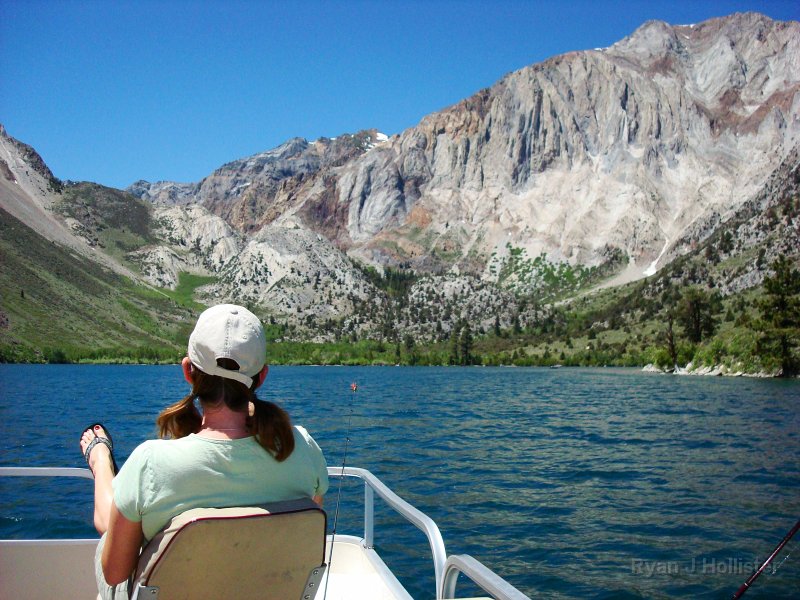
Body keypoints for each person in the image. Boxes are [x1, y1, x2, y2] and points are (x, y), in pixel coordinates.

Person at [79, 304, 329, 599]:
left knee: (109, 534)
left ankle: (100, 460)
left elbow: (114, 573)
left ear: (188, 370)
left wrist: (102, 461)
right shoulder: (302, 446)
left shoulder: (150, 462)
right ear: (261, 377)